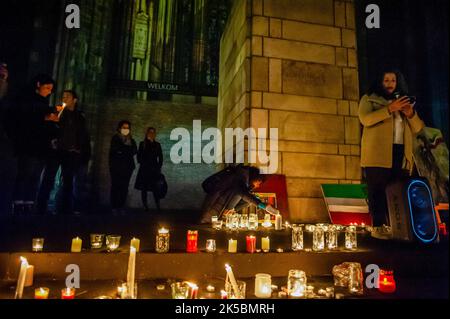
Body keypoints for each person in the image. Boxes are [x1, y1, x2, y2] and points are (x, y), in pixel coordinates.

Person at [358, 69, 425, 239]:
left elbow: (418, 128)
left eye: (393, 80)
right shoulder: (369, 98)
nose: (389, 84)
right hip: (377, 154)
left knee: (397, 190)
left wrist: (410, 113)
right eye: (386, 80)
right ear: (380, 82)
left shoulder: (404, 102)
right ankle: (378, 226)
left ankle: (397, 227)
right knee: (378, 190)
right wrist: (389, 109)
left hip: (401, 153)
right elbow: (365, 119)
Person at [10, 74, 59, 214]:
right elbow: (25, 119)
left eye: (51, 89)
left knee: (35, 175)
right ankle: (18, 202)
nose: (49, 91)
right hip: (29, 145)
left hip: (41, 146)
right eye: (47, 87)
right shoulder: (27, 100)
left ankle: (29, 202)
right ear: (38, 85)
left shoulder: (44, 104)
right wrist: (45, 117)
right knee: (25, 173)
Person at [37, 90, 91, 214]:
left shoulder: (79, 116)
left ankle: (65, 208)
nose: (64, 98)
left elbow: (83, 134)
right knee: (48, 178)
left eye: (67, 96)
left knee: (68, 181)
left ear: (75, 100)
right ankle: (41, 207)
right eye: (63, 96)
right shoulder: (58, 110)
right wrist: (52, 139)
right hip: (56, 151)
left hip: (71, 152)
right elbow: (50, 126)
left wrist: (79, 148)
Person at [199, 165, 276, 224]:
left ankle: (229, 212)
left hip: (220, 209)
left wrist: (232, 210)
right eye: (259, 182)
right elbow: (243, 193)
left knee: (248, 200)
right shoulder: (239, 178)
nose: (258, 186)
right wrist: (264, 206)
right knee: (207, 225)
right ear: (255, 177)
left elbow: (245, 196)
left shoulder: (243, 180)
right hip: (213, 207)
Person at [109, 120, 137, 215]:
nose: (126, 129)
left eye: (127, 128)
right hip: (116, 167)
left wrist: (124, 150)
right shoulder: (116, 138)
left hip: (128, 167)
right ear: (120, 128)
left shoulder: (131, 140)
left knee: (124, 187)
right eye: (124, 127)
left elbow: (134, 150)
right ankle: (114, 206)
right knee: (116, 186)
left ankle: (121, 206)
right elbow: (116, 150)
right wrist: (126, 149)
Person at [135, 127, 164, 211]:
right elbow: (139, 157)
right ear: (147, 133)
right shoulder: (142, 144)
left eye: (153, 132)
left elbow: (160, 157)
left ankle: (158, 206)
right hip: (144, 169)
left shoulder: (157, 144)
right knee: (144, 188)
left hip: (154, 169)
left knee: (155, 188)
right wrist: (144, 163)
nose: (151, 134)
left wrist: (158, 167)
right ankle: (145, 206)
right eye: (150, 132)